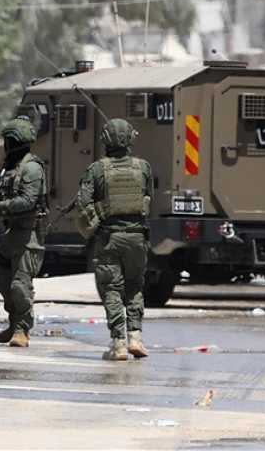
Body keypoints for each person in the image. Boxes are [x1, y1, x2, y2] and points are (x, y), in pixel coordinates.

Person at [76, 119, 153, 361]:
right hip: (137, 237)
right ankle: (136, 337)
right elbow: (148, 197)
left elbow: (82, 202)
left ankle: (119, 343)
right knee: (134, 287)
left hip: (109, 238)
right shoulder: (144, 167)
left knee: (111, 289)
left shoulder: (97, 169)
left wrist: (100, 212)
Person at [0, 116, 46, 348]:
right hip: (9, 235)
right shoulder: (9, 167)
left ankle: (22, 330)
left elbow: (28, 201)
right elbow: (0, 187)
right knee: (1, 275)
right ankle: (13, 324)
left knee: (20, 285)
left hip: (27, 235)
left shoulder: (31, 168)